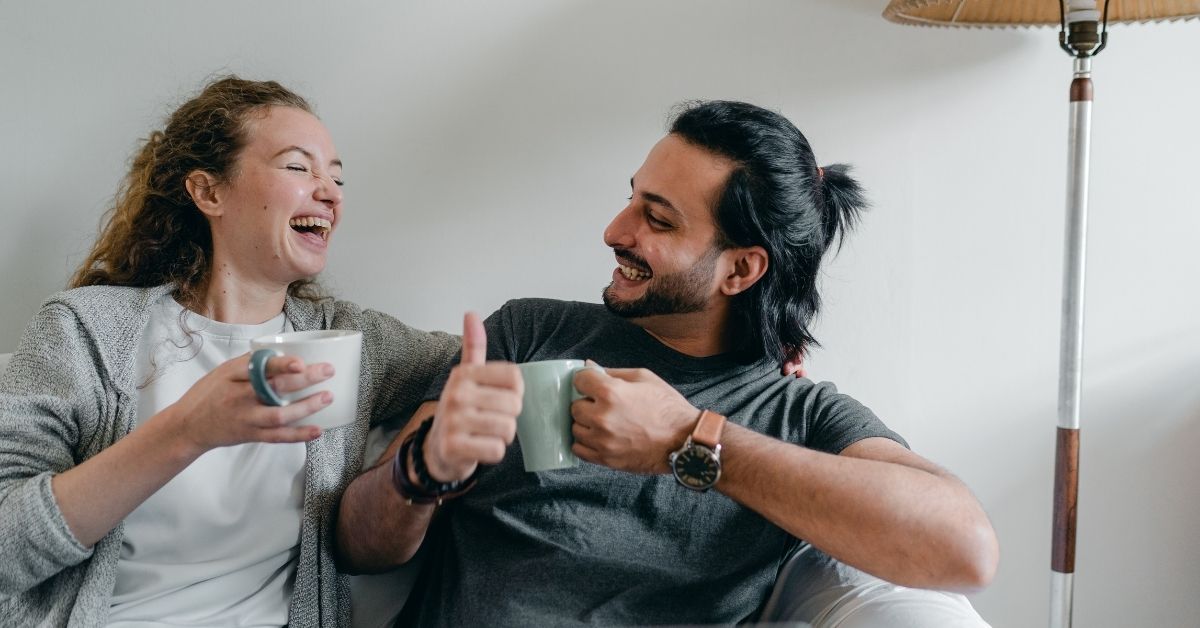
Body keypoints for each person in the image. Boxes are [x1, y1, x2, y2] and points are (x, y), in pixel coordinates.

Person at [335, 100, 1000, 626]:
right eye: (632, 198)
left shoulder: (797, 414)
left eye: (656, 218)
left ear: (740, 268)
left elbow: (967, 550)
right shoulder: (531, 332)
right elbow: (357, 546)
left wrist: (689, 442)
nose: (616, 231)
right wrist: (421, 470)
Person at [0, 76, 459, 627]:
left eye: (336, 177)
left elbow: (499, 355)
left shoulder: (350, 341)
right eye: (299, 168)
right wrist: (187, 430)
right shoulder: (86, 329)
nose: (330, 192)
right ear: (209, 192)